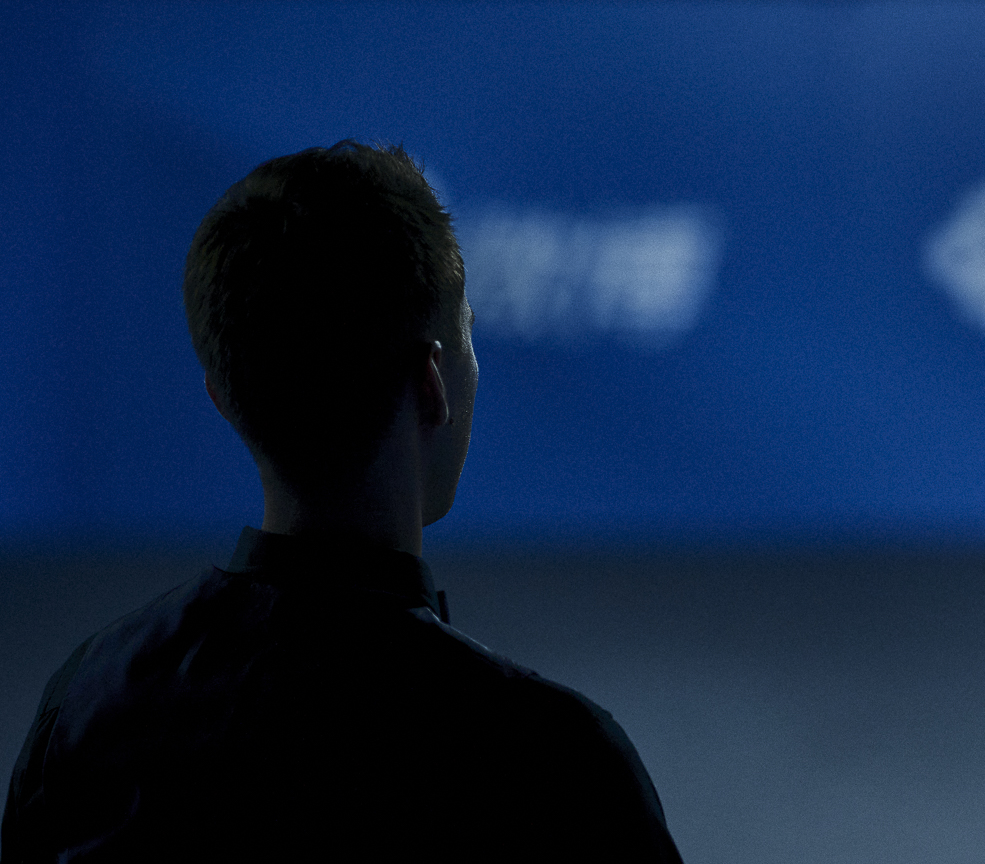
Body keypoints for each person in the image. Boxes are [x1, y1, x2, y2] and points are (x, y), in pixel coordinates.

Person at [1, 142, 683, 862]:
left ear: (222, 398)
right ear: (432, 381)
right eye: (466, 339)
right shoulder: (559, 767)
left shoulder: (85, 708)